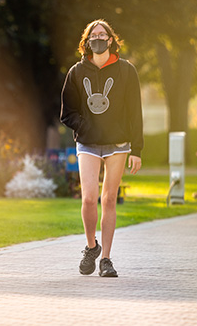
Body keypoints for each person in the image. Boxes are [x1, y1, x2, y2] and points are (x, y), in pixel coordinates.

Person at [60, 19, 143, 277]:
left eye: (102, 34)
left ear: (110, 40)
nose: (98, 38)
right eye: (92, 35)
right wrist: (85, 127)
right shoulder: (76, 72)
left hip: (118, 144)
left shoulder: (126, 71)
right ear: (87, 42)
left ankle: (106, 258)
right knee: (88, 198)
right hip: (87, 143)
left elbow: (135, 113)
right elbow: (67, 112)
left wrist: (137, 150)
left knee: (108, 199)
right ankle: (91, 246)